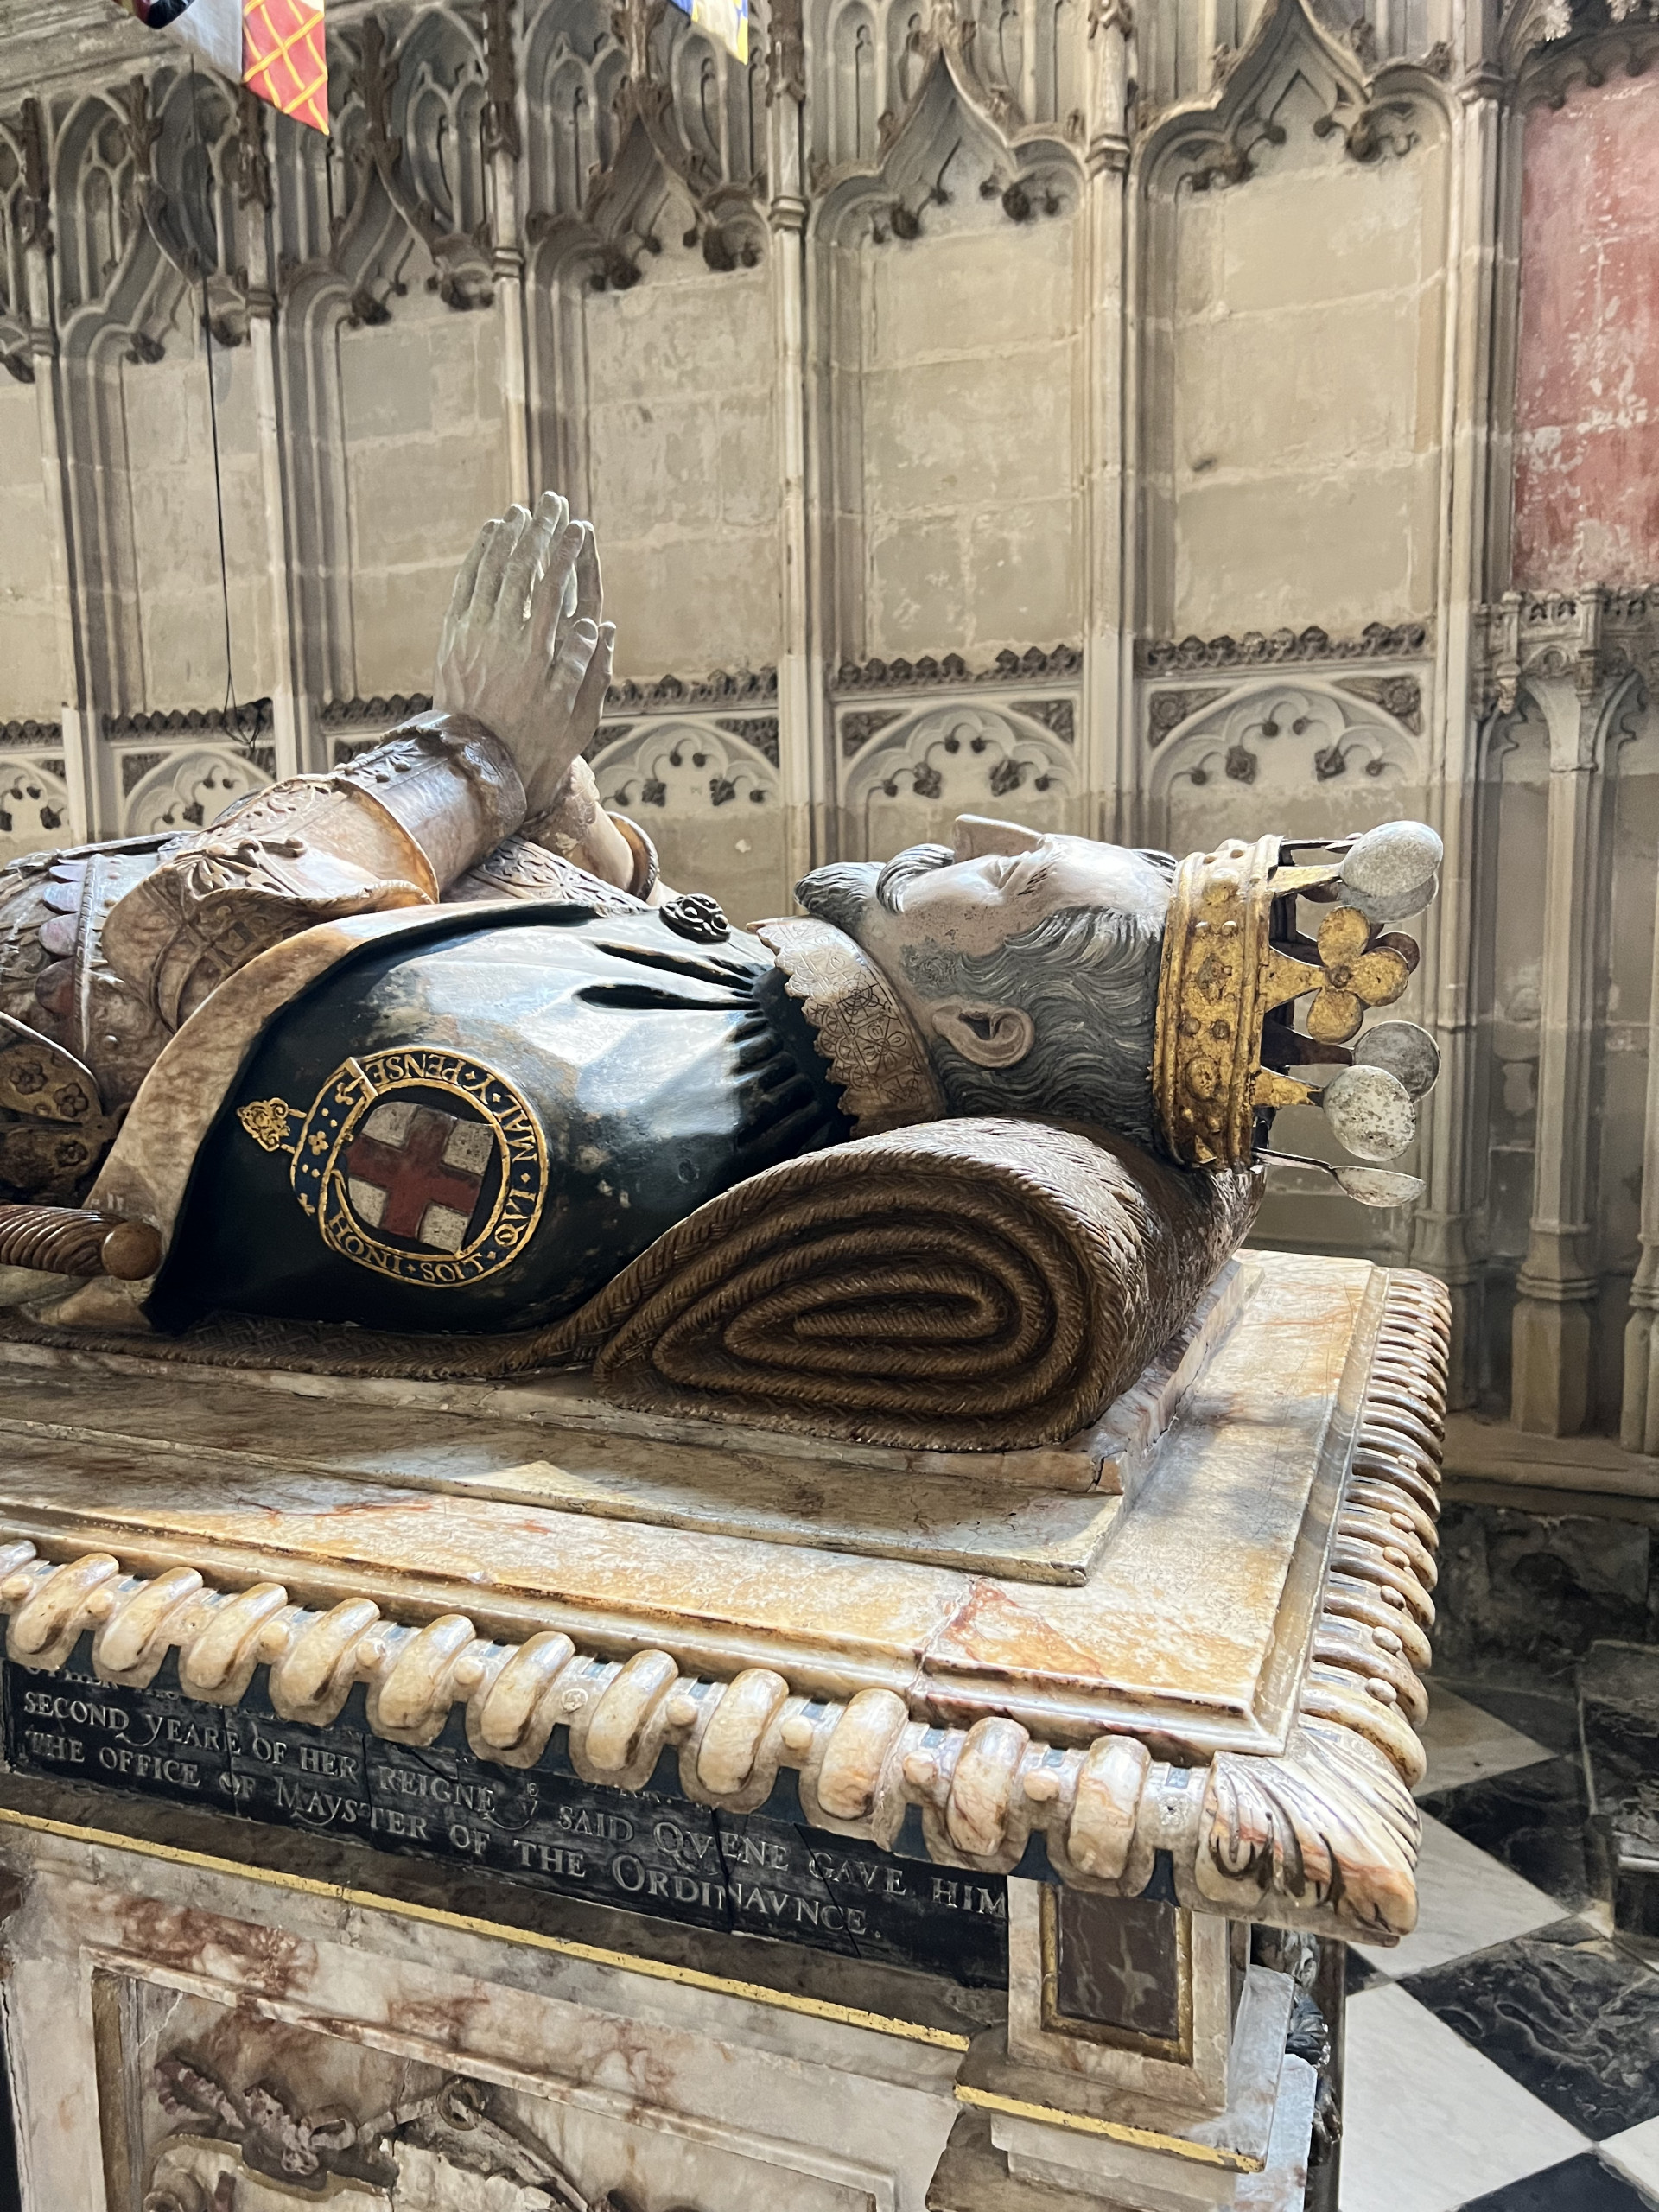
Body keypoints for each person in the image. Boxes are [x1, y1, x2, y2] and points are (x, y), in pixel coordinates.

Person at [0, 494, 1436, 1337]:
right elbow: (572, 937)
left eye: (1010, 877)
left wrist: (475, 755)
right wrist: (568, 806)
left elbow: (202, 948)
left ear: (988, 1024)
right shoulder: (760, 1033)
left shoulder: (639, 1112)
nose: (982, 829)